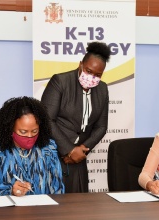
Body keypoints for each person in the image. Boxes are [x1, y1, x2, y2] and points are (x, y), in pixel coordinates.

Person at [41, 41, 111, 193]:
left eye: (98, 75)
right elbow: (46, 119)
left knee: (79, 208)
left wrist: (81, 151)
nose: (92, 77)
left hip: (79, 158)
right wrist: (69, 150)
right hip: (54, 156)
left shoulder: (103, 89)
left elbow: (101, 127)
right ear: (80, 65)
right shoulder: (60, 81)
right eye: (88, 71)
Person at [0, 97, 64, 196]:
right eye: (23, 131)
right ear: (10, 128)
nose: (30, 136)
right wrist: (10, 190)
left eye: (34, 131)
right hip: (5, 210)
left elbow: (57, 188)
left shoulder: (48, 149)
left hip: (41, 209)